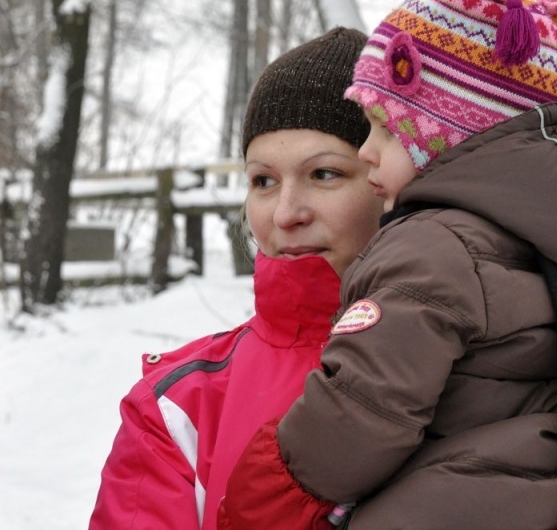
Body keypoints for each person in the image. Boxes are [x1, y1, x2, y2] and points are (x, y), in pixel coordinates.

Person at [218, 0, 557, 530]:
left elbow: (360, 415)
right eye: (262, 180)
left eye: (383, 127)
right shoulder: (553, 241)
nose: (367, 151)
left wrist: (251, 503)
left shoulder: (429, 247)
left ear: (449, 133)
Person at [88, 27, 386, 529]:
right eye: (263, 181)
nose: (285, 213)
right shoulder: (179, 409)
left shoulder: (488, 365)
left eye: (324, 174)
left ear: (389, 183)